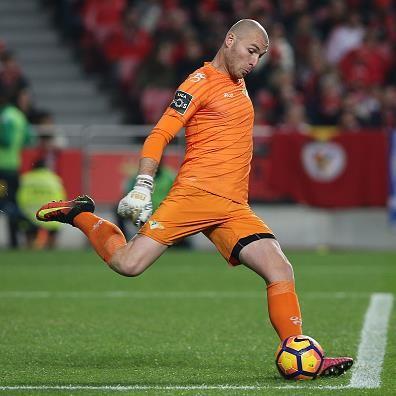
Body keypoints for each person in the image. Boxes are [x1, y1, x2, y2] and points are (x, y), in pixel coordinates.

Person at [36, 19, 352, 377]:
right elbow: (160, 133)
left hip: (233, 206)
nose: (254, 62)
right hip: (196, 195)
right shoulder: (199, 83)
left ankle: (297, 352)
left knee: (279, 268)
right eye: (251, 52)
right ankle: (81, 214)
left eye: (260, 56)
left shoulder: (239, 81)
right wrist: (144, 183)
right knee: (128, 264)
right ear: (229, 40)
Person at [0, 81, 35, 248]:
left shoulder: (6, 115)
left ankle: (29, 224)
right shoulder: (19, 116)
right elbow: (29, 139)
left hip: (2, 170)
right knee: (9, 203)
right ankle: (15, 242)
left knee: (5, 204)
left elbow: (5, 140)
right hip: (13, 168)